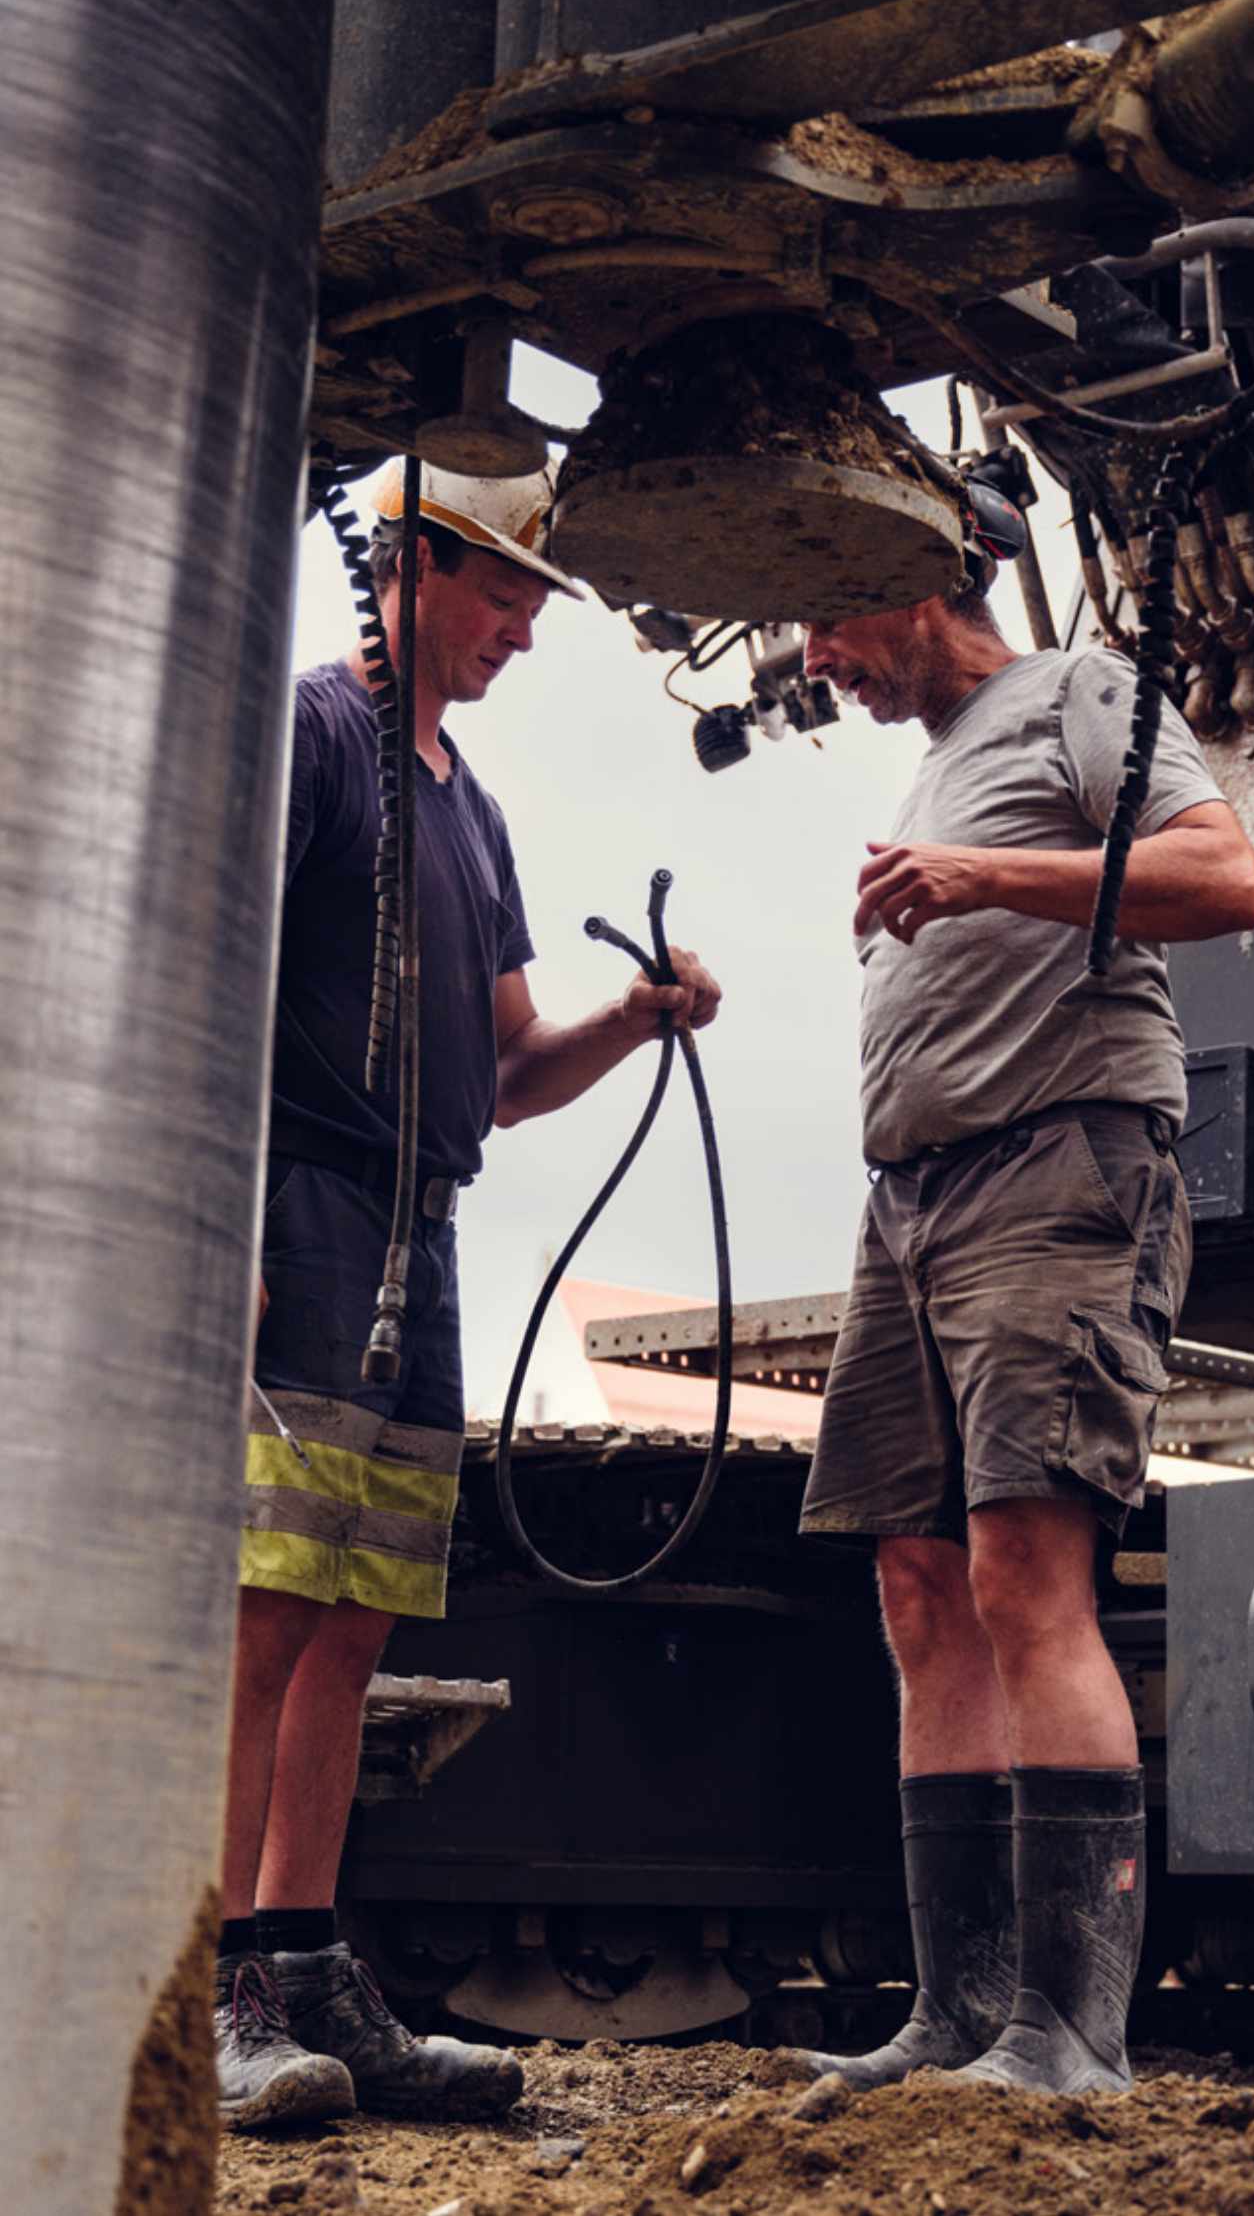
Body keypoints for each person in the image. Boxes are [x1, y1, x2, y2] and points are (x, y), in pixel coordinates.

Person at [216, 461, 722, 2130]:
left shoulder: (473, 809)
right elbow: (216, 979)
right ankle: (208, 1981)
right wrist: (235, 1239)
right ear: (415, 565)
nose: (525, 628)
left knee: (354, 1614)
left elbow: (508, 1073)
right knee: (268, 1602)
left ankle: (300, 1960)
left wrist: (635, 1020)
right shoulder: (309, 736)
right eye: (507, 592)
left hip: (420, 1229)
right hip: (302, 1206)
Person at [790, 567, 1254, 2096]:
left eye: (830, 621)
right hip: (912, 1204)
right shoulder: (938, 758)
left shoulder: (1079, 692)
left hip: (1057, 1163)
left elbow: (1225, 877)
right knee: (921, 1587)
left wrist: (991, 878)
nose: (815, 662)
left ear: (923, 584)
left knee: (1024, 1573)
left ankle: (1068, 2034)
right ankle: (957, 2013)